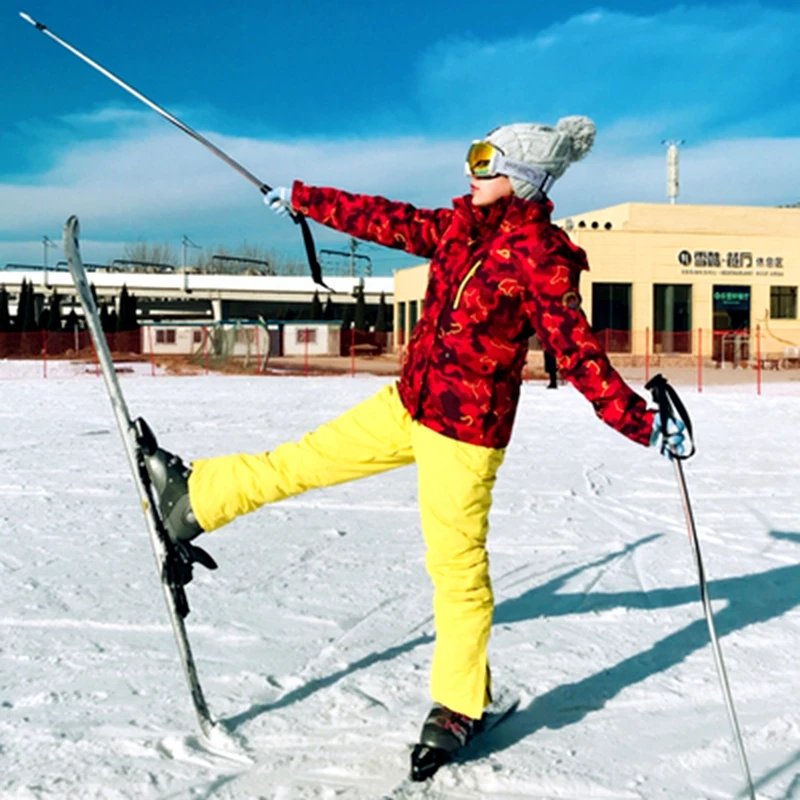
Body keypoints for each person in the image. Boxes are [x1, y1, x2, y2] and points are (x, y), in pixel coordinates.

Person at [144, 116, 685, 774]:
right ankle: (194, 499)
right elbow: (385, 219)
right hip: (410, 403)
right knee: (301, 461)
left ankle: (460, 705)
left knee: (457, 573)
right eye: (472, 153)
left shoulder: (543, 258)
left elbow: (576, 354)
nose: (471, 168)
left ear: (519, 176)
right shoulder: (459, 227)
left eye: (485, 159)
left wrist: (642, 422)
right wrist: (303, 198)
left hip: (466, 434)